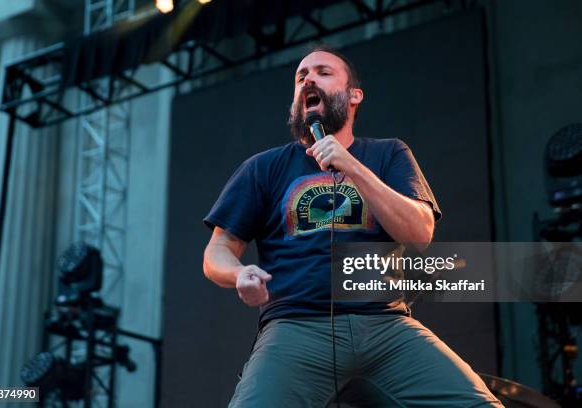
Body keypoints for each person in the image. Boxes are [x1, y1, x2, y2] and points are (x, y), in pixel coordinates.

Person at [202, 44, 502, 407]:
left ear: (354, 95)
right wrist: (238, 273)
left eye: (323, 72)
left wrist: (354, 168)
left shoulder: (388, 153)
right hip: (297, 325)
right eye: (301, 77)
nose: (308, 78)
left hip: (386, 325)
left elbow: (420, 233)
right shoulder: (262, 168)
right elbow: (217, 250)